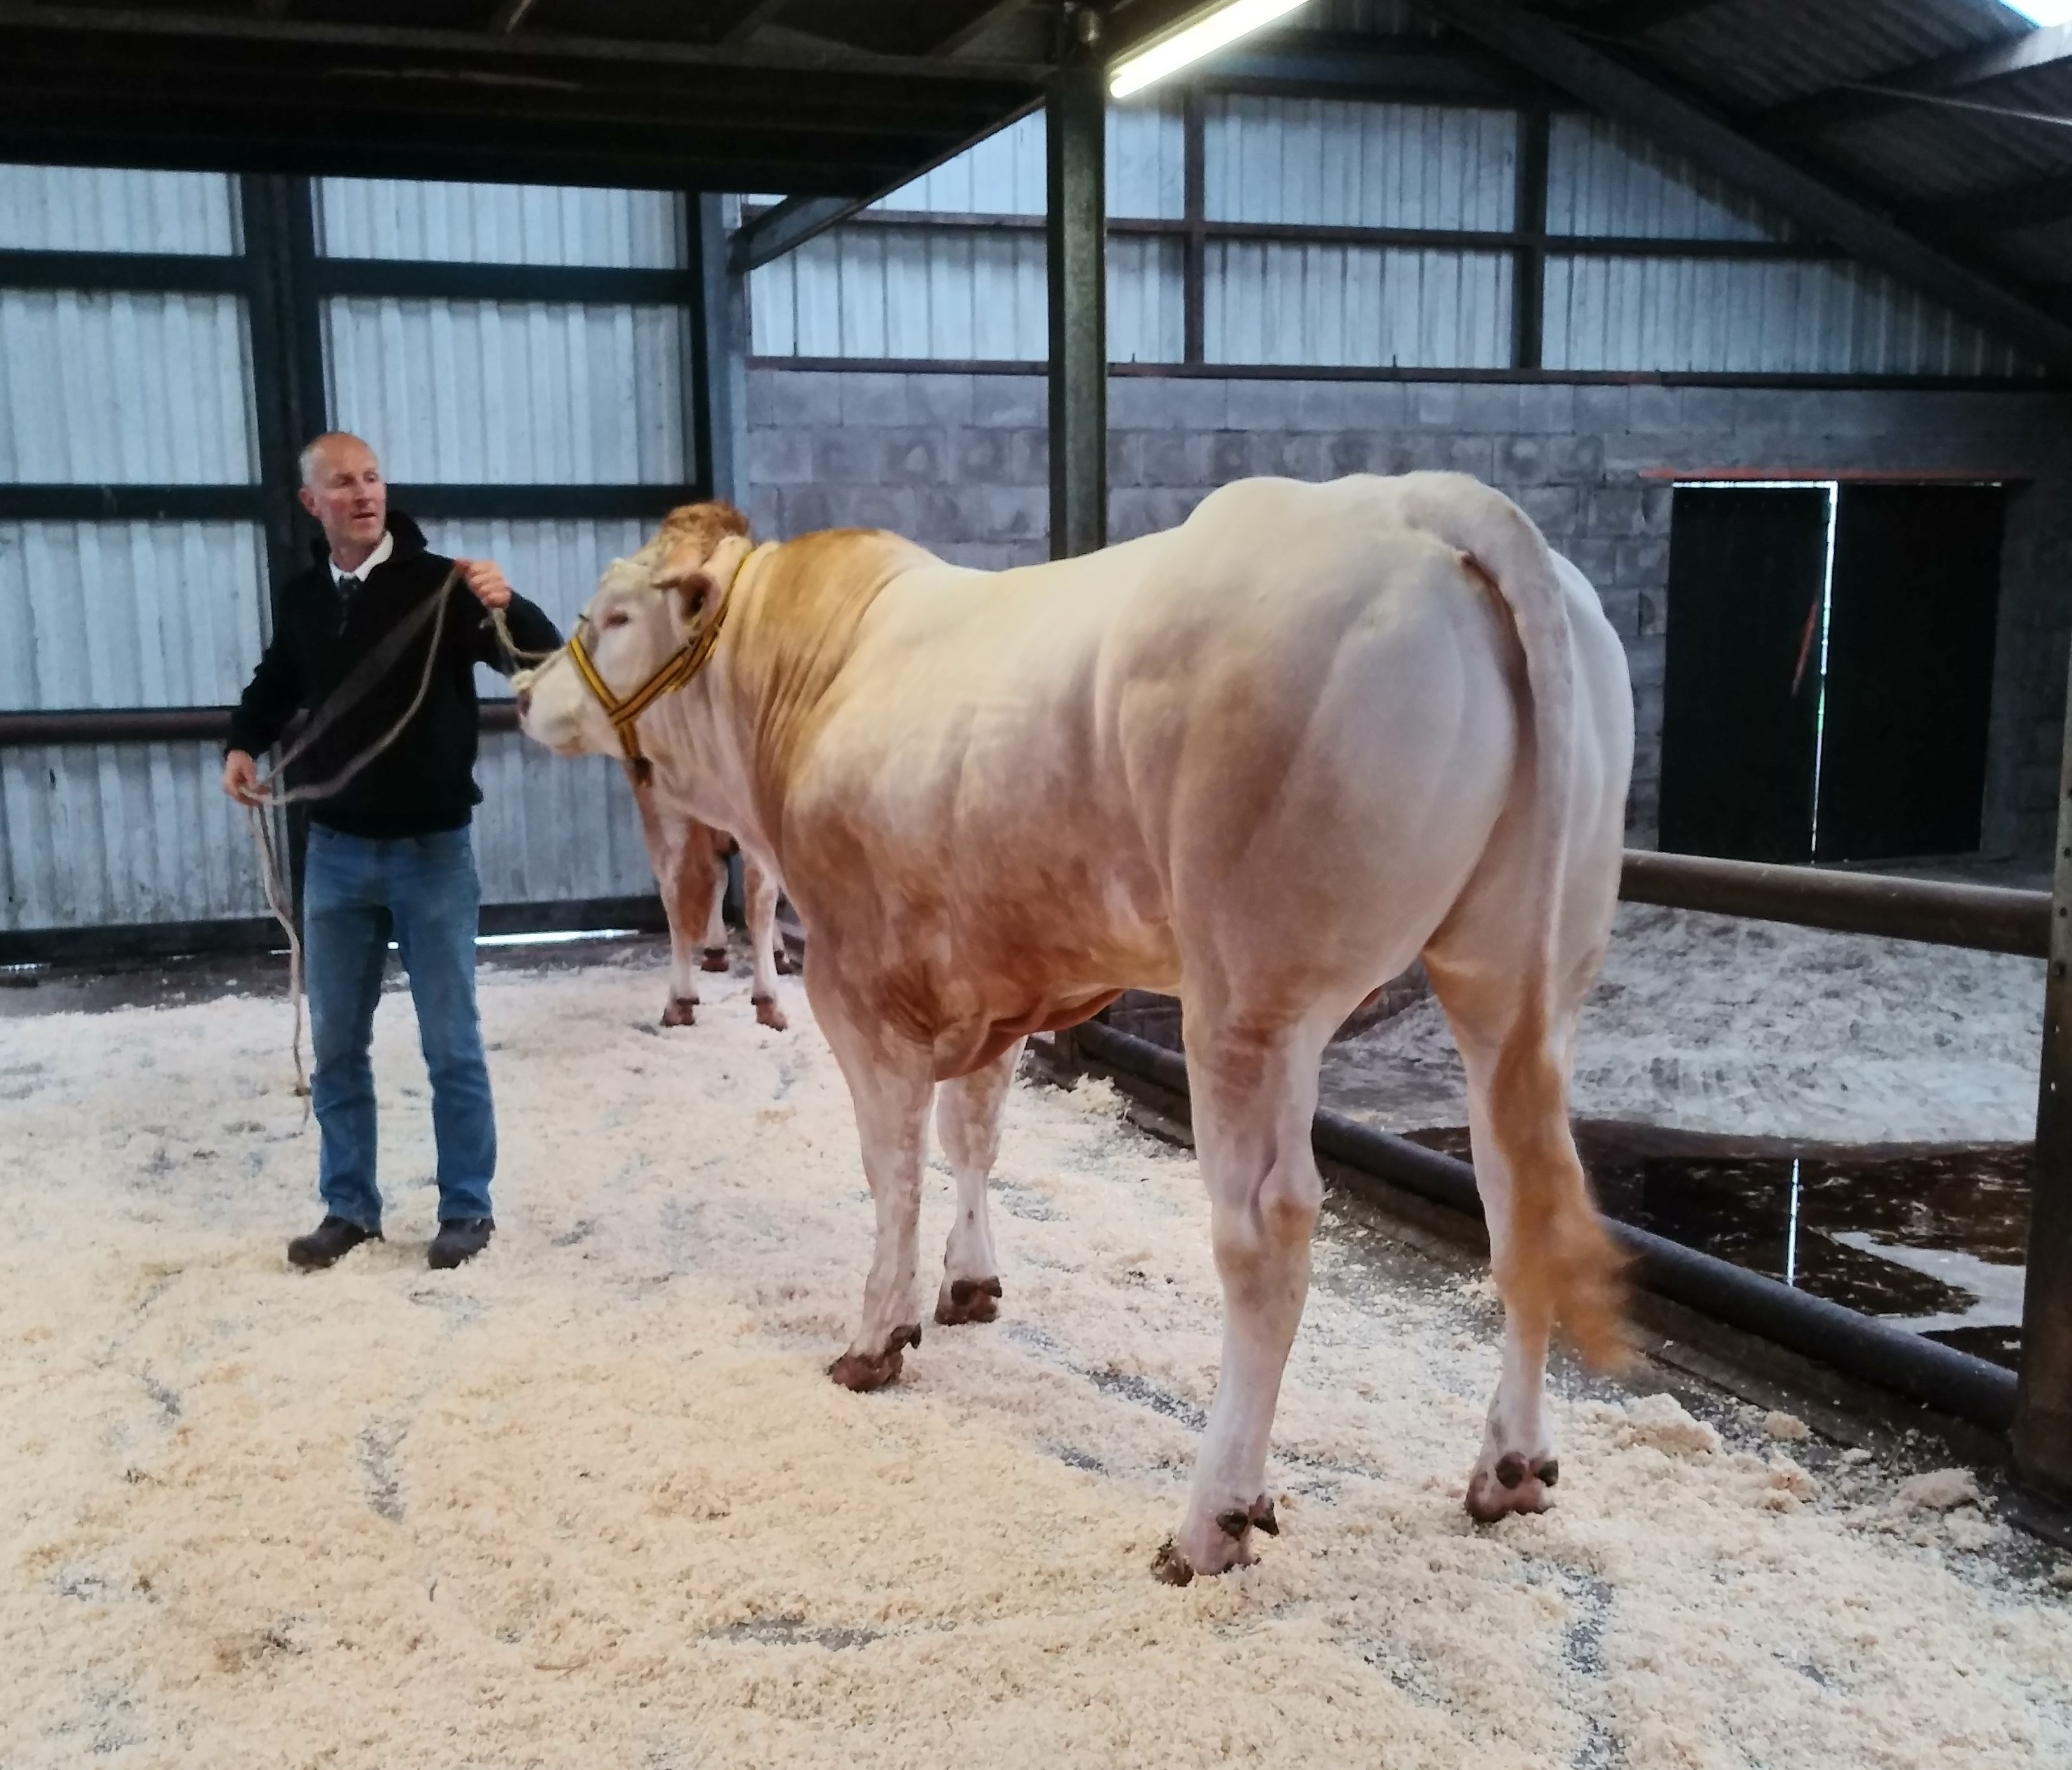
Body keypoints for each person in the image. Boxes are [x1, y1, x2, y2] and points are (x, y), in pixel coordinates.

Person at [223, 433, 561, 1272]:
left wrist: (507, 601)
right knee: (338, 1046)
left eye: (371, 477)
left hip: (431, 854)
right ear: (314, 503)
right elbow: (278, 679)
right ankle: (349, 1209)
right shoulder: (307, 597)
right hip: (334, 855)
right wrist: (242, 742)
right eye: (342, 483)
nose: (363, 492)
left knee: (450, 1043)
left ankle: (465, 1210)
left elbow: (540, 656)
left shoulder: (444, 587)